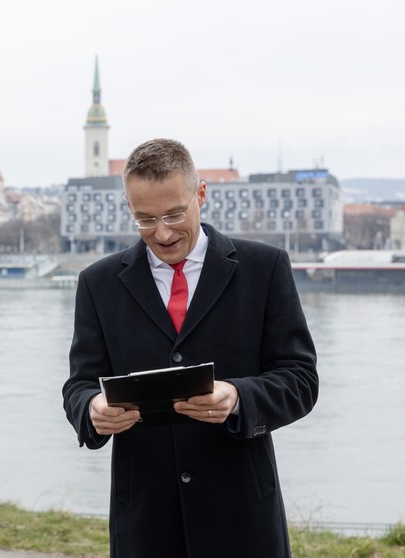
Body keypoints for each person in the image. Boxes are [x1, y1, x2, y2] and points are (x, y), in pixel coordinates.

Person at [62, 139, 318, 557]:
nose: (161, 233)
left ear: (201, 194)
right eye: (144, 219)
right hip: (144, 521)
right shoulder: (98, 282)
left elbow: (301, 380)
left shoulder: (265, 268)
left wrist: (238, 397)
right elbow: (79, 384)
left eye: (174, 214)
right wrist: (91, 409)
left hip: (241, 518)